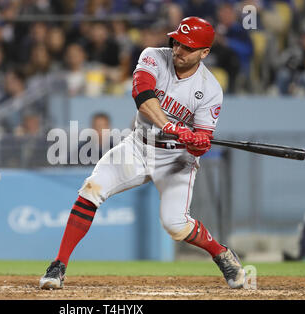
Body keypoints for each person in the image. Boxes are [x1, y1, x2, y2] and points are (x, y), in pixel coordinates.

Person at [39, 17, 246, 290]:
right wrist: (171, 126)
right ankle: (58, 265)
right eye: (177, 42)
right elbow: (141, 93)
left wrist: (197, 142)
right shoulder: (153, 56)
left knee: (175, 226)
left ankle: (219, 252)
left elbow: (203, 140)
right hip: (138, 145)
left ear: (204, 53)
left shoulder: (210, 89)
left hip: (177, 159)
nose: (179, 50)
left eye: (188, 47)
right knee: (92, 188)